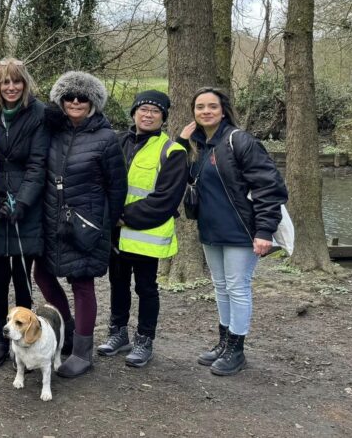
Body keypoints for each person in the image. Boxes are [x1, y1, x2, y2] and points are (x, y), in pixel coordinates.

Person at [177, 87, 287, 376]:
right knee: (221, 287)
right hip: (211, 231)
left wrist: (264, 230)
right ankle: (223, 343)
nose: (205, 111)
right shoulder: (201, 147)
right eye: (199, 107)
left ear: (223, 110)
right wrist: (181, 142)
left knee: (237, 288)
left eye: (212, 106)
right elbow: (186, 178)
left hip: (241, 232)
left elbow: (269, 187)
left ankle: (237, 350)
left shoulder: (240, 141)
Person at [35, 71, 127, 378]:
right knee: (43, 275)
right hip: (51, 220)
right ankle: (69, 330)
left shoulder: (106, 138)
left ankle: (82, 352)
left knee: (82, 283)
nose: (76, 101)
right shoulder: (52, 131)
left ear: (93, 102)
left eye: (83, 97)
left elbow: (117, 187)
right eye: (69, 96)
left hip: (87, 224)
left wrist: (106, 225)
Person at [98, 90, 188, 368]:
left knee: (147, 289)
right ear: (134, 112)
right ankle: (118, 332)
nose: (148, 115)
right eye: (143, 109)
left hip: (146, 235)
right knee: (118, 284)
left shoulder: (173, 151)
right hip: (116, 235)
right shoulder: (116, 142)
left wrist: (121, 217)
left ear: (163, 118)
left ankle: (145, 339)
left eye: (155, 111)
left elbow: (165, 198)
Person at [0, 58, 48, 369]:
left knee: (21, 274)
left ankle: (26, 335)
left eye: (16, 82)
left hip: (25, 206)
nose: (11, 88)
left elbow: (37, 163)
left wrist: (23, 202)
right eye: (6, 82)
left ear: (24, 84)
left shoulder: (38, 114)